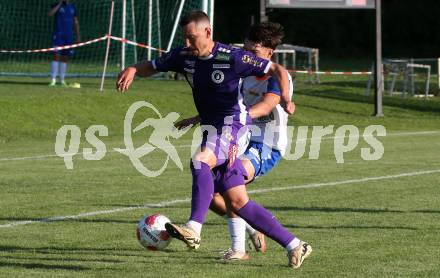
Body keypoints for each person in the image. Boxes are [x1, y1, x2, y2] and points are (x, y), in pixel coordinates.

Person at [116, 11, 305, 268]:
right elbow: (153, 65)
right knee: (236, 199)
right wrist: (134, 69)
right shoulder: (184, 56)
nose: (187, 43)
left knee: (200, 161)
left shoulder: (232, 57)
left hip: (240, 130)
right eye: (185, 38)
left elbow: (277, 70)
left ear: (207, 33)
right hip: (214, 128)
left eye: (192, 38)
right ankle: (294, 244)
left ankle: (194, 228)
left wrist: (285, 96)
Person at [176, 22, 310, 267]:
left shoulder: (276, 77)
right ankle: (281, 239)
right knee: (214, 191)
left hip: (266, 146)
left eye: (255, 53)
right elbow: (229, 104)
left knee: (229, 180)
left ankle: (239, 247)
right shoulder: (241, 69)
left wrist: (244, 116)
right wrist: (198, 118)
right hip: (239, 137)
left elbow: (268, 105)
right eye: (247, 51)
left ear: (269, 53)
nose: (249, 57)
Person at [48, 0, 81, 87]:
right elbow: (50, 14)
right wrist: (59, 4)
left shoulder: (72, 7)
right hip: (58, 35)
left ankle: (62, 80)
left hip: (68, 36)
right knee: (56, 56)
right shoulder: (56, 5)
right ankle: (53, 80)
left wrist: (78, 36)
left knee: (65, 57)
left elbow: (75, 22)